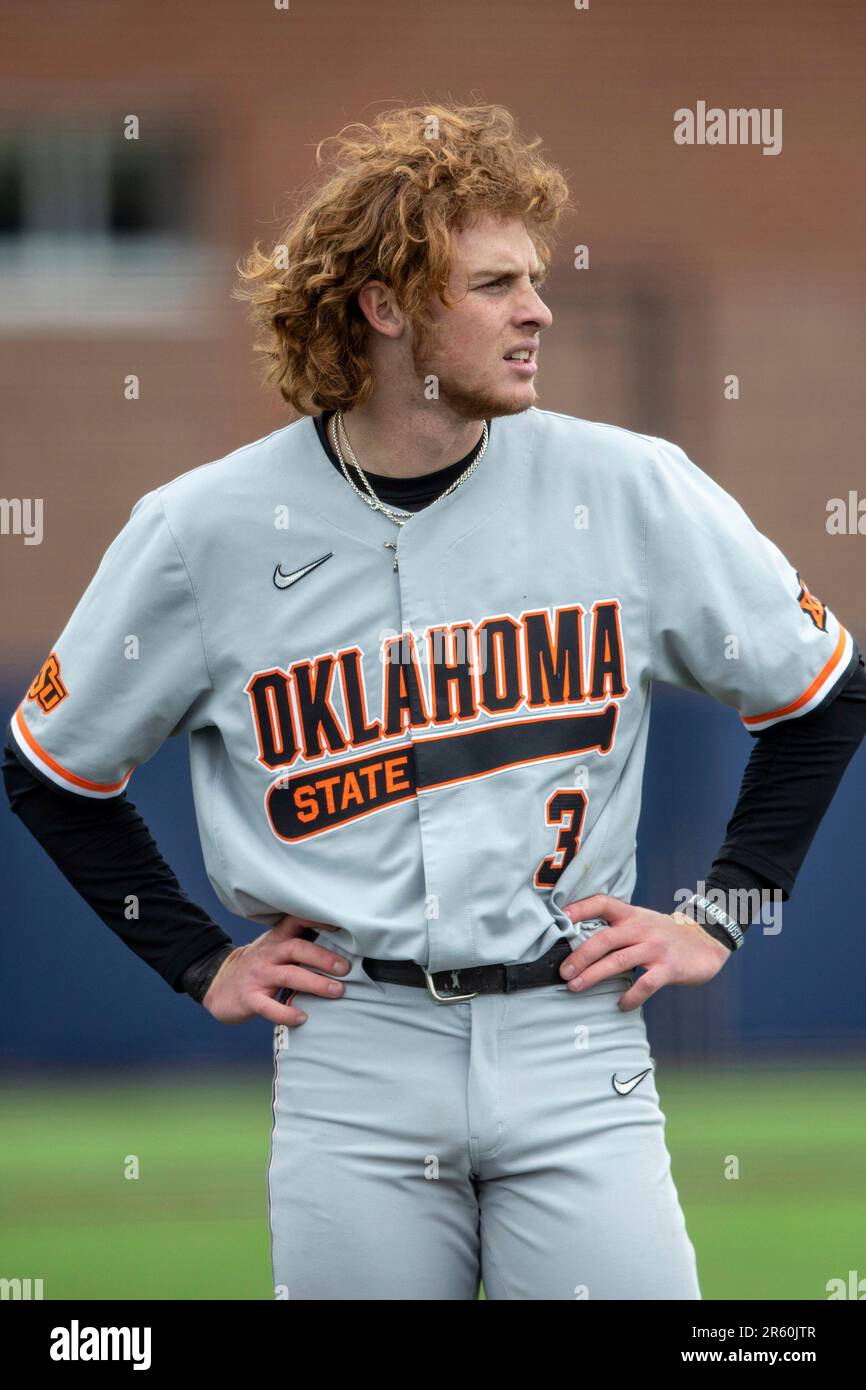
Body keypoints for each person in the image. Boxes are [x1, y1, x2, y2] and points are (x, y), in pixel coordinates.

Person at [5, 101, 866, 1301]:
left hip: (576, 1037)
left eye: (534, 277)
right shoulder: (202, 531)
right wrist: (195, 959)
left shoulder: (625, 486)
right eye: (494, 283)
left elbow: (822, 691)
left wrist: (720, 910)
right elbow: (49, 767)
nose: (537, 310)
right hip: (354, 1050)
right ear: (385, 306)